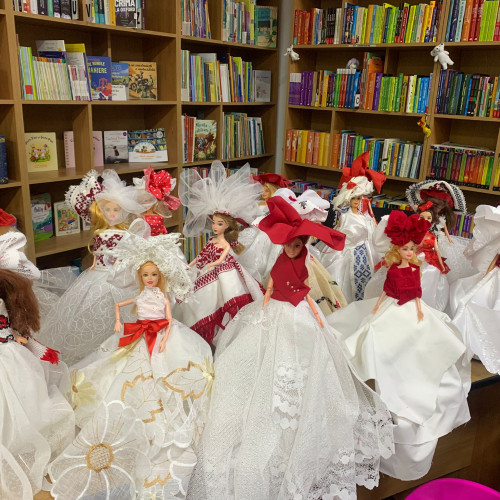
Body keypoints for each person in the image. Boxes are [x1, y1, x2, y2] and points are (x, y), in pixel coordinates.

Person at [186, 197, 394, 500]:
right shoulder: (281, 260)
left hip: (298, 312)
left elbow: (305, 291)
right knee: (252, 358)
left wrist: (316, 315)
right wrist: (264, 302)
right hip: (272, 310)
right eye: (289, 245)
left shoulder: (304, 262)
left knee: (306, 359)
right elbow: (272, 282)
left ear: (303, 244)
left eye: (297, 245)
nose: (292, 249)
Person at [48, 221, 213, 500]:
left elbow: (168, 318)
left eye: (153, 274)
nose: (149, 278)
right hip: (139, 333)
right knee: (118, 368)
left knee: (166, 373)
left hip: (161, 335)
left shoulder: (161, 295)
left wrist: (164, 338)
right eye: (145, 274)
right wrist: (117, 320)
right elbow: (122, 305)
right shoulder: (142, 293)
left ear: (160, 276)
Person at [327, 210, 470, 480]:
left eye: (412, 249)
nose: (409, 252)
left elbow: (417, 293)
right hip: (392, 307)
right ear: (397, 250)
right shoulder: (394, 269)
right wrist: (376, 309)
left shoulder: (416, 269)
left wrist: (420, 309)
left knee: (426, 343)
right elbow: (385, 292)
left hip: (413, 309)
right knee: (375, 338)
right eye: (405, 248)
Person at [36, 170, 156, 365]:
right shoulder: (100, 234)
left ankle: (122, 345)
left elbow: (123, 253)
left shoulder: (124, 234)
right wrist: (93, 265)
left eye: (115, 210)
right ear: (101, 211)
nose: (111, 214)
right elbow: (98, 253)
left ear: (122, 212)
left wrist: (118, 265)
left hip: (116, 275)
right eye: (107, 210)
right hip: (97, 273)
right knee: (87, 310)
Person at [0, 231, 74, 499]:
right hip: (8, 352)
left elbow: (11, 327)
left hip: (10, 352)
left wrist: (20, 338)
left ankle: (22, 440)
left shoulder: (5, 304)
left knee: (24, 393)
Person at [174, 161, 264, 344]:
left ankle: (225, 332)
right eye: (214, 223)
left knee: (224, 297)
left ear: (228, 226)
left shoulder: (225, 242)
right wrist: (191, 264)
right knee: (199, 299)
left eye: (219, 224)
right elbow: (201, 255)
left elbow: (222, 257)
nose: (215, 227)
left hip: (222, 270)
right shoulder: (212, 240)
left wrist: (213, 264)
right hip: (206, 268)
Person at [450, 204, 500, 375]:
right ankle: (475, 339)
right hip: (496, 275)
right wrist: (487, 274)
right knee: (475, 297)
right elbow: (494, 260)